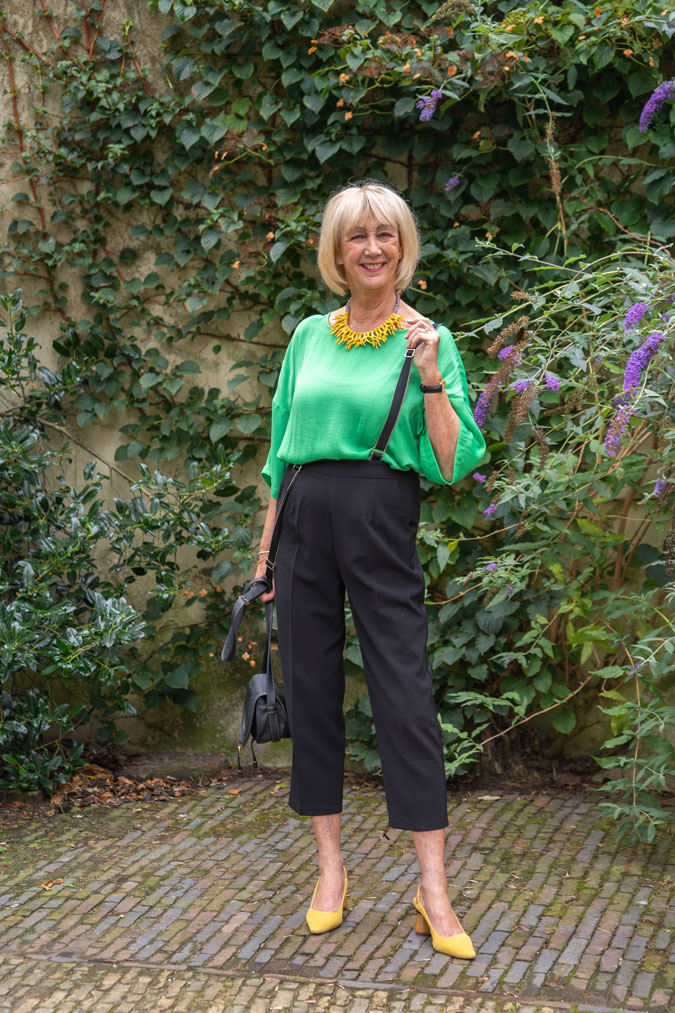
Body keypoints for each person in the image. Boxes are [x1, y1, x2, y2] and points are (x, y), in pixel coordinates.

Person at [253, 179, 486, 958]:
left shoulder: (429, 337)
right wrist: (265, 560)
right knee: (313, 693)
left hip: (382, 513)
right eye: (356, 236)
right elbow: (280, 456)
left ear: (403, 245)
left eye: (385, 233)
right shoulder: (306, 339)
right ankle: (329, 873)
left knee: (404, 696)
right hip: (304, 521)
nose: (372, 248)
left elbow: (451, 463)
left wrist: (426, 372)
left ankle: (433, 890)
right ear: (336, 252)